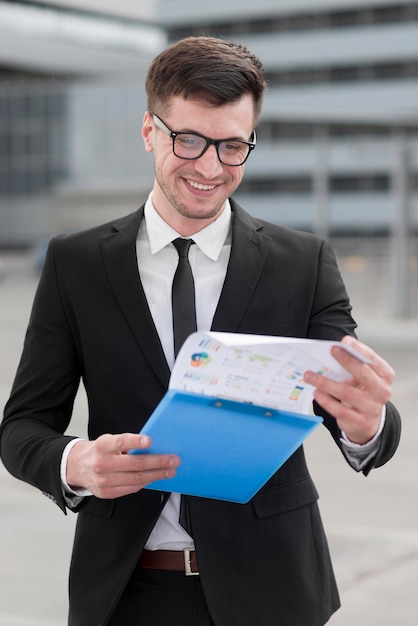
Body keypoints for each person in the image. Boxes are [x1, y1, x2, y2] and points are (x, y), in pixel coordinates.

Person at [0, 36, 401, 626]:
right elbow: (22, 427)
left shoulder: (303, 261)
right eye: (189, 139)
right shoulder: (76, 264)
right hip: (128, 592)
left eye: (233, 146)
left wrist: (366, 425)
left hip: (275, 589)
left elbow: (359, 414)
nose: (211, 167)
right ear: (148, 131)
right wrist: (76, 463)